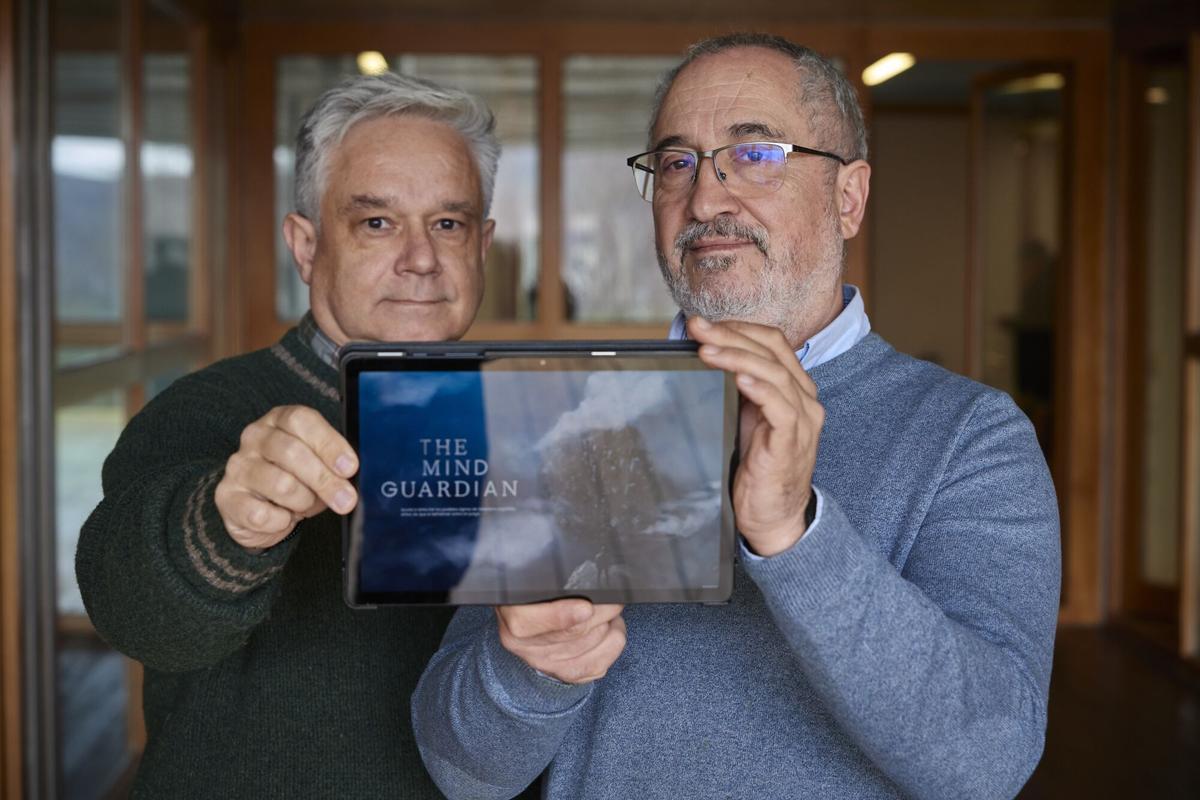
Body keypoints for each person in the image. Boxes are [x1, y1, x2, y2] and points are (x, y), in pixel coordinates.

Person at [412, 32, 1061, 800]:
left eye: (756, 155)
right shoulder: (568, 413)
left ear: (848, 198)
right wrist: (527, 671)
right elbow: (460, 773)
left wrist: (795, 534)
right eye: (677, 161)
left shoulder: (971, 437)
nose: (706, 197)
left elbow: (987, 763)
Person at [75, 72, 503, 798]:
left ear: (482, 245)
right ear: (305, 247)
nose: (421, 258)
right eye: (376, 223)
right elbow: (130, 611)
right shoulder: (206, 410)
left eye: (448, 223)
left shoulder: (525, 418)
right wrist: (227, 522)